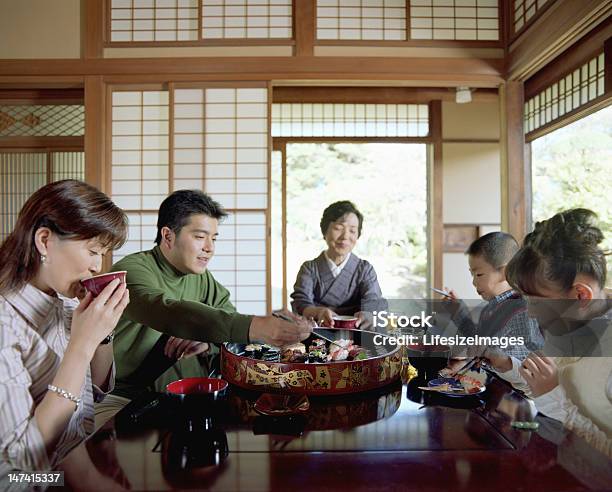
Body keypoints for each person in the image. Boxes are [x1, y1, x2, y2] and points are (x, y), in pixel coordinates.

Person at [97, 190, 311, 420]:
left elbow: (230, 326)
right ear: (168, 236)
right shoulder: (134, 271)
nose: (209, 247)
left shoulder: (201, 277)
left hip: (188, 397)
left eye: (214, 238)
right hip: (127, 399)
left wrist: (207, 342)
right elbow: (167, 311)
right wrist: (258, 326)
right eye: (200, 237)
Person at [0, 180, 129, 490]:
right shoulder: (5, 324)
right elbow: (19, 469)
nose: (98, 265)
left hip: (79, 457)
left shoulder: (65, 300)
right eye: (94, 250)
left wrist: (102, 333)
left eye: (104, 253)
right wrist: (81, 346)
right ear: (44, 240)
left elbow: (96, 391)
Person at [473, 209, 611, 457]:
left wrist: (552, 396)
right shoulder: (567, 326)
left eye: (536, 303)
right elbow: (545, 390)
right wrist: (509, 365)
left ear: (580, 295)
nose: (532, 314)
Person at [443, 232, 544, 361]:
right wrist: (458, 311)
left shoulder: (522, 309)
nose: (474, 282)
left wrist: (479, 351)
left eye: (479, 275)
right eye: (472, 275)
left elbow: (527, 354)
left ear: (505, 272)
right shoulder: (491, 307)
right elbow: (478, 341)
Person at [290, 200, 387, 327]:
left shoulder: (365, 269)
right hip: (318, 334)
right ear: (325, 231)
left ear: (358, 235)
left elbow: (373, 301)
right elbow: (301, 303)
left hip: (356, 334)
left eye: (352, 231)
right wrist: (318, 312)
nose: (345, 236)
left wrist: (368, 313)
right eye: (338, 228)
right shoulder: (309, 268)